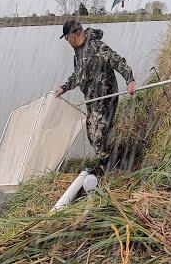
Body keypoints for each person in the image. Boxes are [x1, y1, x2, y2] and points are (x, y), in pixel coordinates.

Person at [55, 19, 136, 175]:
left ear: (74, 35)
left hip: (106, 99)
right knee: (92, 135)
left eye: (66, 38)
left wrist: (130, 79)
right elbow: (78, 75)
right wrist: (64, 88)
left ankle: (107, 168)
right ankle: (110, 161)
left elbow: (117, 61)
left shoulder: (97, 47)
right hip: (92, 101)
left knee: (98, 136)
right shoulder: (78, 53)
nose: (67, 42)